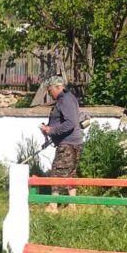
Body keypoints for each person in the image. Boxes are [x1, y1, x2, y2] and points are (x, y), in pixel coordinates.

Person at [40, 74, 84, 211]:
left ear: (58, 87)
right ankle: (72, 205)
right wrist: (49, 131)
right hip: (73, 142)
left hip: (67, 143)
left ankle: (53, 206)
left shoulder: (65, 100)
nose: (49, 93)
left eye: (50, 90)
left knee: (56, 172)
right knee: (71, 173)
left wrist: (51, 130)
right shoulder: (68, 98)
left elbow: (70, 123)